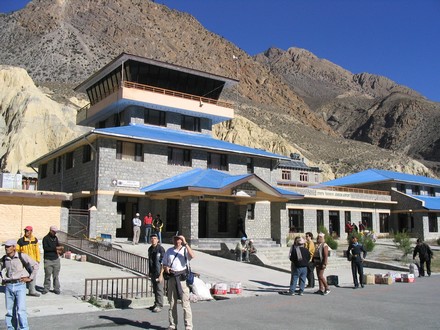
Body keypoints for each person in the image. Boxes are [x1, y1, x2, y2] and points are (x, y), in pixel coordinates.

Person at [1, 239, 39, 330]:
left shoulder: (22, 256)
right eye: (5, 247)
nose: (6, 248)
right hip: (9, 286)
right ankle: (11, 328)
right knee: (10, 311)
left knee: (21, 310)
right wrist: (1, 279)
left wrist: (30, 278)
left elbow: (35, 265)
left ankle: (24, 328)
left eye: (8, 246)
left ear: (14, 247)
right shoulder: (4, 259)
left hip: (20, 285)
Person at [162, 234, 195, 330]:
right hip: (172, 277)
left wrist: (186, 243)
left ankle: (188, 326)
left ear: (181, 240)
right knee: (172, 303)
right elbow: (164, 263)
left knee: (185, 304)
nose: (176, 241)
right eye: (175, 239)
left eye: (178, 239)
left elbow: (192, 256)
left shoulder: (185, 250)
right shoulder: (169, 251)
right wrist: (166, 268)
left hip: (182, 278)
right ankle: (172, 324)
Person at [16, 226, 41, 297]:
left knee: (33, 274)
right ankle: (23, 289)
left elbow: (37, 251)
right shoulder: (21, 241)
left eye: (28, 231)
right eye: (25, 231)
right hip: (24, 260)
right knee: (21, 274)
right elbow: (17, 251)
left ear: (31, 231)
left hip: (32, 261)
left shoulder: (34, 240)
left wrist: (38, 260)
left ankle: (32, 290)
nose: (26, 232)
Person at [42, 225, 63, 294]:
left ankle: (56, 288)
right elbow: (46, 248)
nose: (55, 233)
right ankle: (46, 288)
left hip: (56, 259)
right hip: (48, 259)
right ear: (50, 231)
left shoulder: (55, 238)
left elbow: (57, 246)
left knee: (56, 275)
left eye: (55, 232)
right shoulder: (45, 238)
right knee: (47, 275)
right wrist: (55, 249)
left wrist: (60, 250)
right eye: (54, 232)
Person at [148, 234, 165, 313]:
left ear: (158, 240)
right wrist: (150, 272)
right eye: (152, 238)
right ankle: (156, 303)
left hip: (159, 272)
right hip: (153, 272)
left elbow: (163, 263)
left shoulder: (160, 249)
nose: (153, 240)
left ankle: (159, 305)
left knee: (159, 289)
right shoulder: (150, 249)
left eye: (155, 238)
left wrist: (161, 274)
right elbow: (150, 261)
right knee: (155, 289)